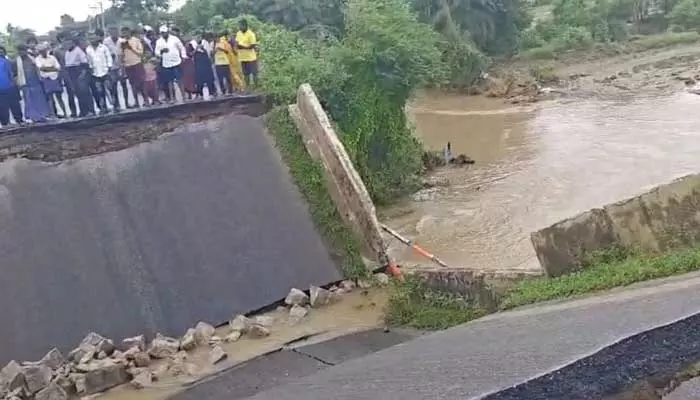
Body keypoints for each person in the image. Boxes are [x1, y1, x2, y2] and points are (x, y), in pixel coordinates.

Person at [15, 44, 51, 123]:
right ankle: (32, 117)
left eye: (23, 50)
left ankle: (42, 116)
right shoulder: (17, 61)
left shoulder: (32, 58)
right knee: (29, 101)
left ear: (26, 50)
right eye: (20, 51)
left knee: (39, 100)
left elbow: (38, 68)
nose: (21, 52)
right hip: (25, 84)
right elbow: (16, 74)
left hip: (35, 82)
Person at [155, 25, 187, 103]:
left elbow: (182, 48)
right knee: (169, 81)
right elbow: (156, 52)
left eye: (165, 32)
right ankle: (173, 98)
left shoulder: (174, 39)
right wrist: (161, 51)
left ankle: (184, 97)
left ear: (167, 32)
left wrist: (183, 56)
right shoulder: (159, 41)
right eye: (162, 33)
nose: (164, 34)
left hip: (176, 61)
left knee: (180, 80)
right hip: (166, 63)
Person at [64, 36, 94, 117]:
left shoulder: (78, 50)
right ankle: (83, 111)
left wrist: (83, 74)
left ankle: (90, 110)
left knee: (85, 92)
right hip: (71, 72)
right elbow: (67, 65)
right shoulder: (67, 52)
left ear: (73, 43)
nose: (67, 45)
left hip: (79, 71)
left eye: (69, 43)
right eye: (66, 43)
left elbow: (84, 63)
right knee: (78, 93)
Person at [35, 43, 67, 118]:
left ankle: (65, 114)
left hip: (55, 78)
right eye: (41, 51)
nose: (43, 52)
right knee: (50, 98)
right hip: (46, 79)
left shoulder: (52, 57)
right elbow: (42, 68)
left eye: (44, 50)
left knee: (59, 97)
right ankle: (53, 115)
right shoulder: (37, 59)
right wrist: (52, 68)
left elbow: (58, 68)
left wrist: (47, 69)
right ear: (39, 52)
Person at [102, 26, 128, 112]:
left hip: (121, 66)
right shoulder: (106, 42)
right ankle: (116, 105)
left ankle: (127, 103)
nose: (114, 34)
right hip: (112, 68)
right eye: (112, 32)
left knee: (124, 85)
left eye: (115, 32)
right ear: (109, 33)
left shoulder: (122, 41)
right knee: (113, 86)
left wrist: (124, 66)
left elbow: (125, 54)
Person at [86, 33, 112, 114]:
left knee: (110, 89)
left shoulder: (103, 47)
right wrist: (90, 69)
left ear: (97, 38)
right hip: (95, 73)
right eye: (90, 39)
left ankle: (114, 105)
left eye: (94, 38)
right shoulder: (88, 49)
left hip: (105, 71)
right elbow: (88, 60)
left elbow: (109, 57)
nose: (92, 40)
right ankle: (103, 108)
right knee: (99, 92)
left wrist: (109, 67)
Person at [121, 26, 147, 108]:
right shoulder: (122, 42)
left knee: (141, 83)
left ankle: (146, 100)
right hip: (128, 65)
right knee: (132, 84)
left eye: (126, 32)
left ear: (129, 32)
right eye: (123, 33)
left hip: (137, 63)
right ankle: (136, 102)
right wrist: (122, 49)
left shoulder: (136, 40)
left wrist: (131, 48)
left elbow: (141, 53)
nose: (125, 34)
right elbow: (121, 56)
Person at [54, 33, 77, 118]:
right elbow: (56, 63)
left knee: (72, 93)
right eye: (62, 38)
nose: (63, 40)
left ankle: (75, 111)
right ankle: (67, 112)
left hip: (72, 73)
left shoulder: (71, 48)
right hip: (62, 73)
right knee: (61, 94)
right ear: (59, 40)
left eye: (65, 38)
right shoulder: (57, 50)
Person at [0, 45, 23, 127]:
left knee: (15, 105)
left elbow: (13, 75)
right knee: (2, 107)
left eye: (2, 51)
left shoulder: (9, 62)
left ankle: (19, 121)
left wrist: (14, 84)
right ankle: (5, 123)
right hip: (1, 90)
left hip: (11, 87)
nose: (0, 52)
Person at [235, 19, 259, 88]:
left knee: (254, 73)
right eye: (239, 26)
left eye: (240, 26)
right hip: (242, 57)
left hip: (251, 58)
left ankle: (256, 87)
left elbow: (252, 45)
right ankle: (248, 87)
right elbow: (236, 43)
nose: (239, 27)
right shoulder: (238, 33)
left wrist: (243, 47)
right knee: (246, 74)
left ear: (245, 25)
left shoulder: (251, 34)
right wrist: (238, 46)